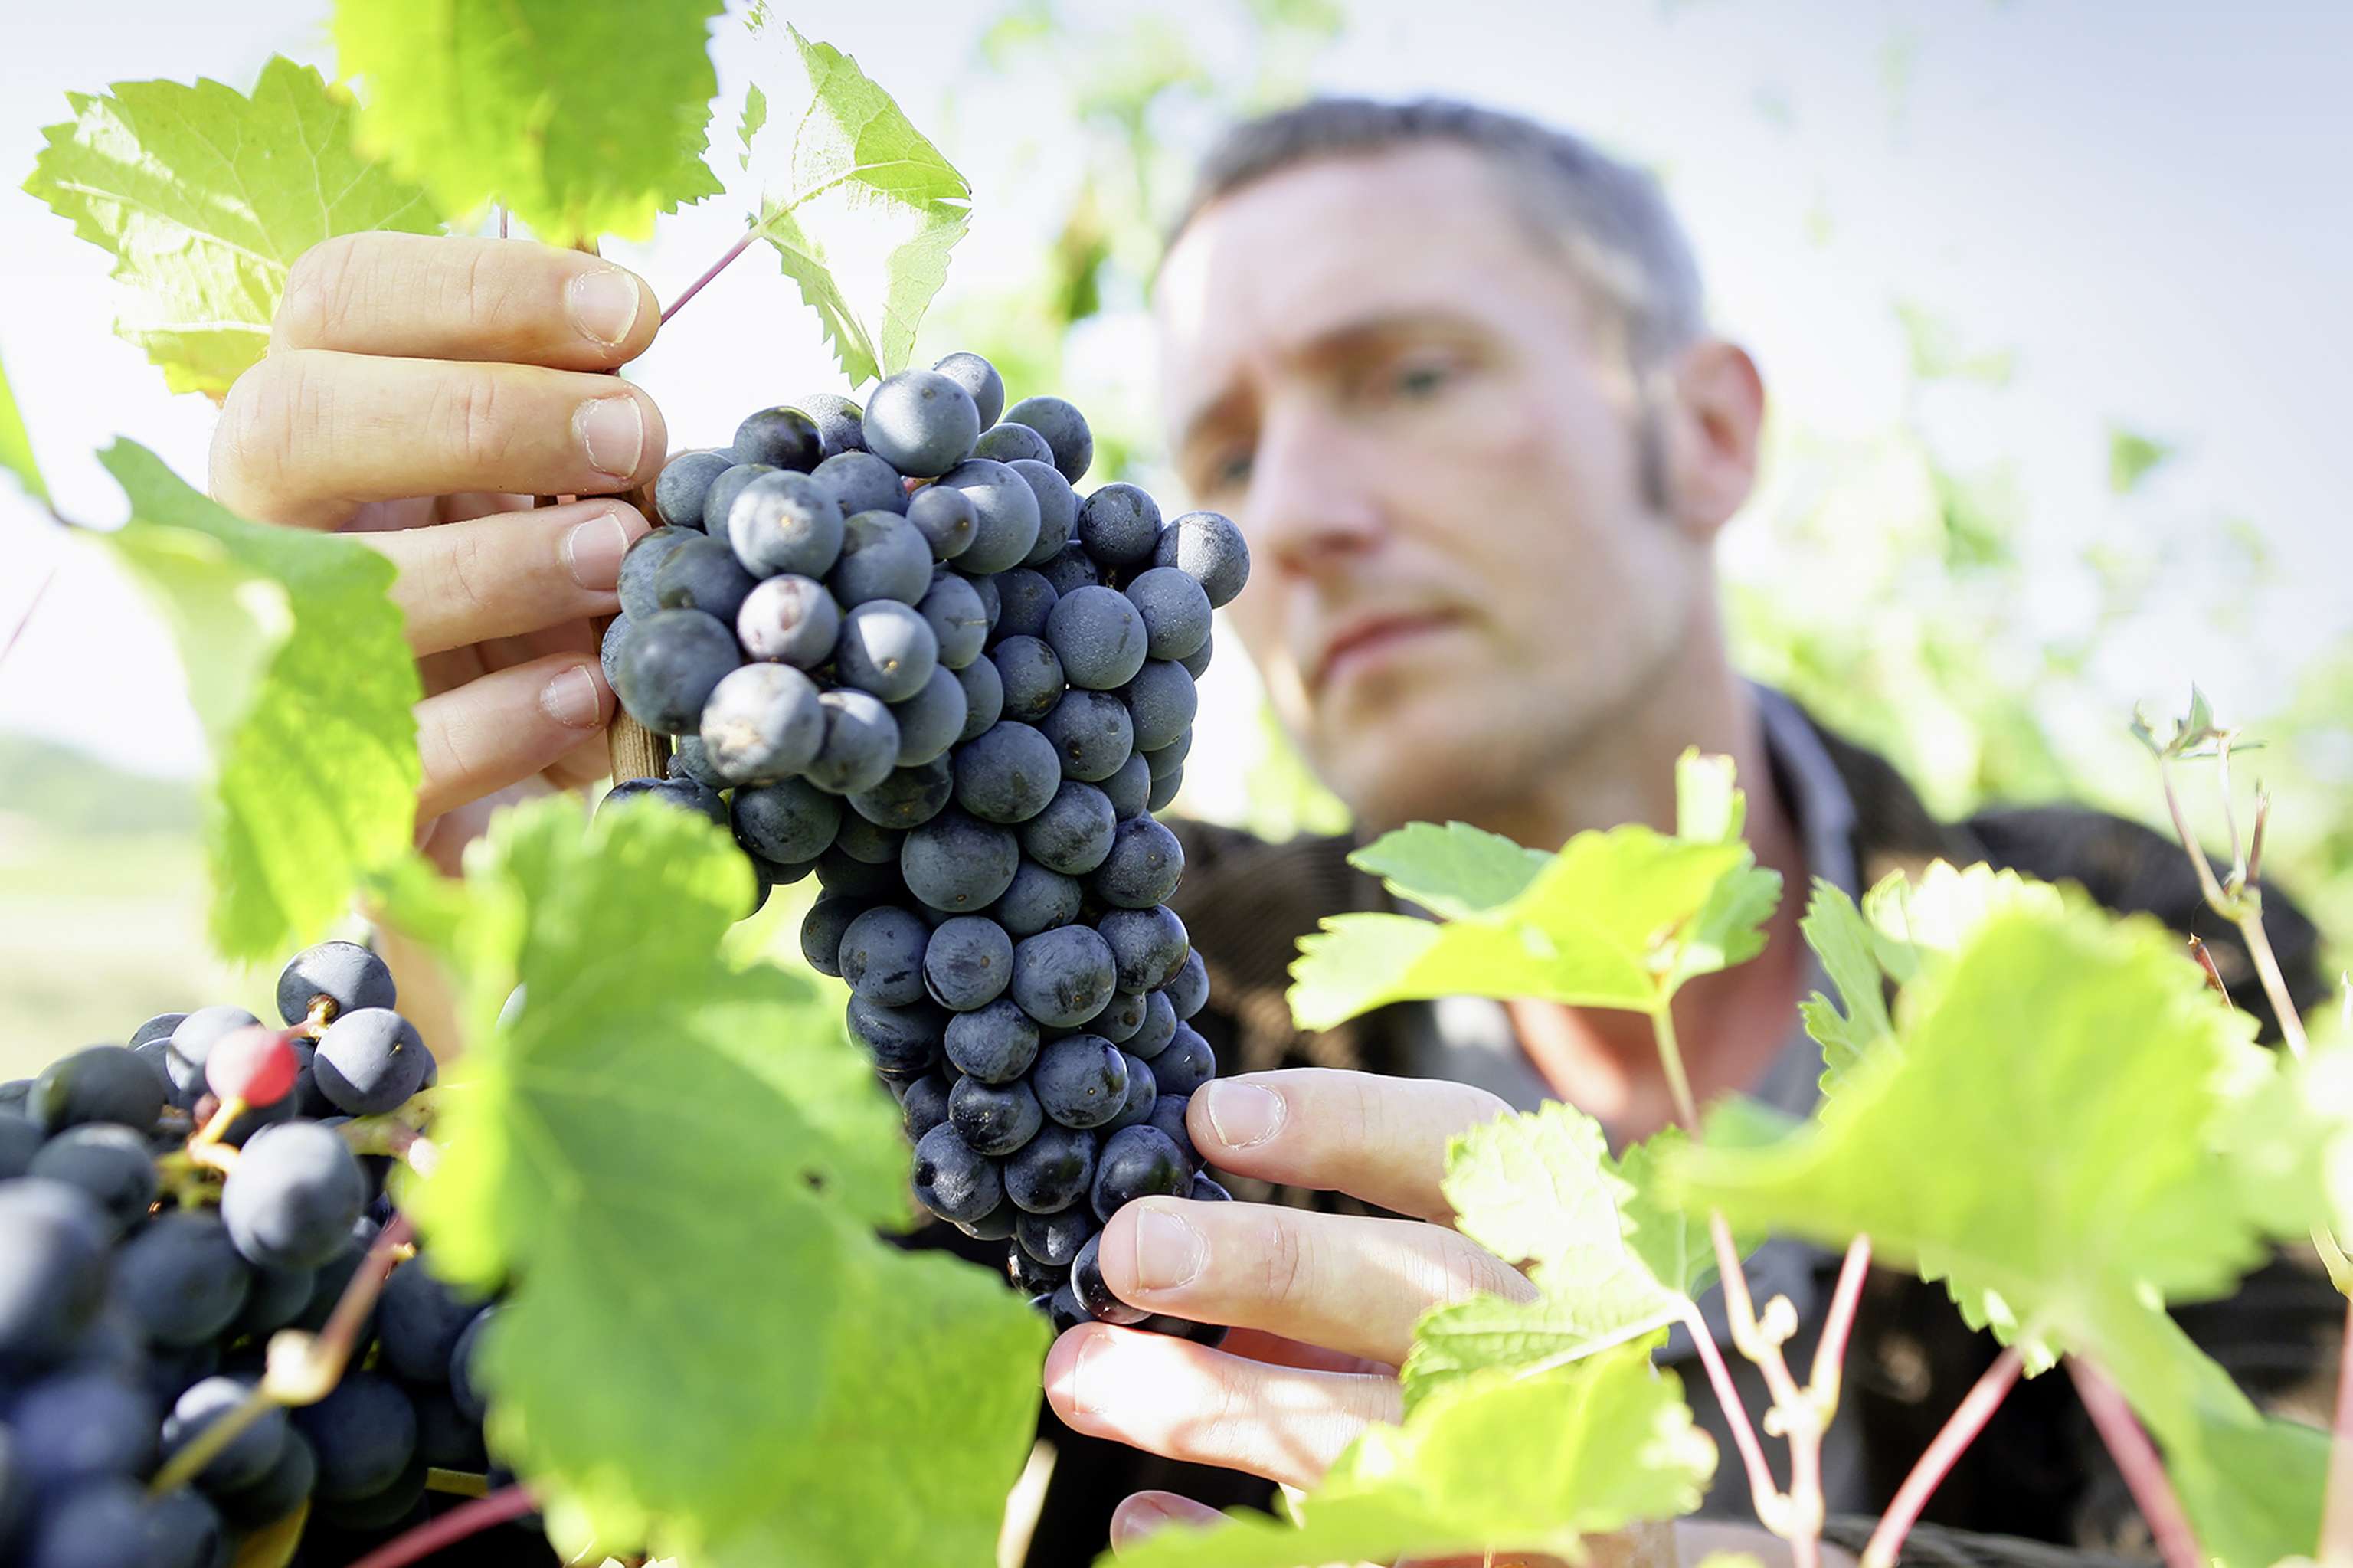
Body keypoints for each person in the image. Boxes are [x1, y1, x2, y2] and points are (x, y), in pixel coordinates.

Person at [205, 96, 2336, 1566]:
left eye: (1408, 375)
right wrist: (451, 982)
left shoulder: (2129, 942)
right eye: (1220, 438)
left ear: (1702, 433)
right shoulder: (1152, 999)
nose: (1289, 515)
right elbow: (645, 1474)